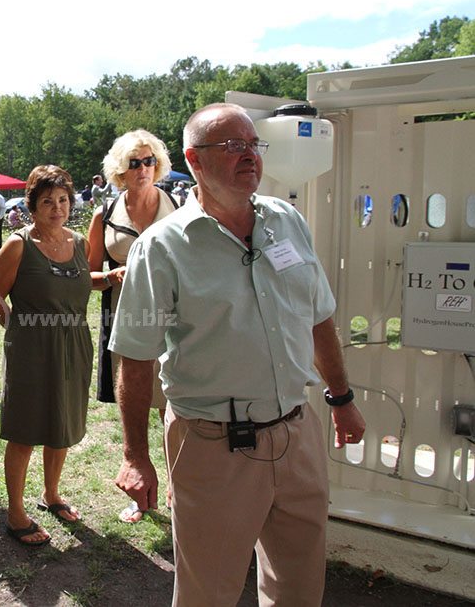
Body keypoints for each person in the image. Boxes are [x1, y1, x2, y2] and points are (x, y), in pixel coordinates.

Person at [110, 103, 366, 605]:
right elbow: (135, 360)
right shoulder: (162, 247)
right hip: (212, 447)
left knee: (299, 587)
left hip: (297, 433)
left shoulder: (287, 221)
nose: (249, 155)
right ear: (194, 160)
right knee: (209, 592)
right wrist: (135, 455)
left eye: (253, 144)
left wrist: (341, 397)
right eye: (232, 146)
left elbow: (317, 316)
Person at [0, 165, 93, 546]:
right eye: (48, 201)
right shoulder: (18, 244)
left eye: (63, 200)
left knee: (61, 423)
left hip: (74, 345)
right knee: (25, 430)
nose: (57, 208)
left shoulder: (80, 242)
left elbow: (75, 280)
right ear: (33, 205)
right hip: (31, 350)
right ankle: (16, 514)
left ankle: (51, 494)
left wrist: (107, 278)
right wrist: (20, 332)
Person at [86, 129, 178, 524]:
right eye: (134, 163)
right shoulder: (105, 216)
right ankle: (140, 491)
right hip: (126, 320)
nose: (143, 169)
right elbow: (85, 273)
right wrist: (109, 277)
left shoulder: (180, 206)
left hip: (175, 321)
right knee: (137, 406)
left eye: (149, 161)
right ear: (120, 172)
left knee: (174, 407)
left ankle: (178, 487)